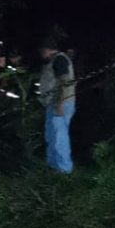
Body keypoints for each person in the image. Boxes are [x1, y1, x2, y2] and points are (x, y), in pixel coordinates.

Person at [38, 36, 77, 174]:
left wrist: (59, 104)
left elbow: (63, 82)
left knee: (60, 137)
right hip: (53, 104)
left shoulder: (59, 59)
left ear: (46, 50)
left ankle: (64, 170)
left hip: (61, 104)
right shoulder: (53, 61)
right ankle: (53, 167)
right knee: (51, 136)